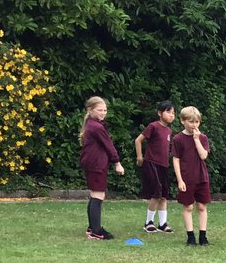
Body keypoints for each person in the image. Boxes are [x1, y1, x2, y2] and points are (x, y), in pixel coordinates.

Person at [79, 96, 125, 240]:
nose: (103, 113)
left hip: (92, 162)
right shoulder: (97, 127)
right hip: (96, 164)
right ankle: (96, 231)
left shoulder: (92, 124)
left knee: (94, 194)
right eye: (100, 110)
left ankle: (92, 227)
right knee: (98, 195)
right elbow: (108, 145)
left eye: (105, 110)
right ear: (91, 110)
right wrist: (117, 162)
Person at [171, 106, 211, 246]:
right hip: (187, 178)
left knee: (201, 207)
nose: (194, 125)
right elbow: (176, 159)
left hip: (201, 178)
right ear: (182, 121)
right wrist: (180, 180)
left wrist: (196, 140)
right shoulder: (178, 139)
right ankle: (190, 237)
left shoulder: (203, 138)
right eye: (191, 122)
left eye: (197, 122)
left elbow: (203, 155)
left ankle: (203, 236)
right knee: (188, 207)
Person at [134, 100, 175, 233]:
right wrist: (140, 157)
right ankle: (148, 222)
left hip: (164, 165)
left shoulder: (169, 131)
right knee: (156, 193)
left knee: (163, 195)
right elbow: (138, 140)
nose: (171, 115)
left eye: (173, 113)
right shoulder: (153, 126)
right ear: (159, 113)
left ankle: (162, 224)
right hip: (152, 163)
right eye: (168, 112)